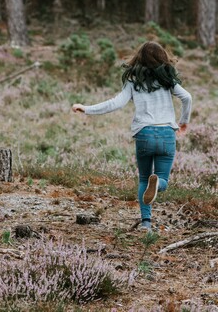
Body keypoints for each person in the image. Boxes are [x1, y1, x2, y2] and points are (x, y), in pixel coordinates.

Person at [72, 41, 192, 230]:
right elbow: (187, 97)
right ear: (163, 57)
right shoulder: (168, 79)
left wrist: (86, 109)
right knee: (163, 181)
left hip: (144, 134)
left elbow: (115, 103)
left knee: (144, 179)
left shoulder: (134, 80)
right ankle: (158, 183)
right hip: (167, 133)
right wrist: (183, 121)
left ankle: (146, 223)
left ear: (139, 58)